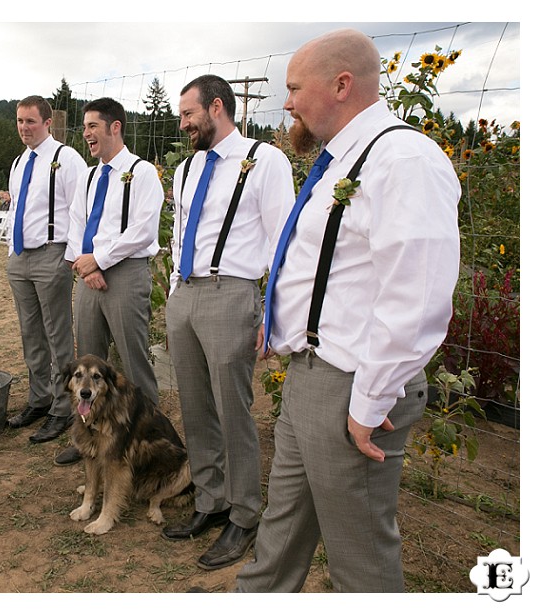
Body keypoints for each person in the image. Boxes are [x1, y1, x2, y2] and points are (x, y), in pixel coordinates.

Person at [236, 29, 461, 592]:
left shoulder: (403, 159)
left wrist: (368, 402)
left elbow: (417, 297)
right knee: (281, 533)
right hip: (311, 380)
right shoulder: (341, 162)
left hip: (354, 389)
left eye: (293, 88)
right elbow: (327, 268)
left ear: (341, 84)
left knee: (359, 560)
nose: (285, 102)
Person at [161, 75, 294, 570]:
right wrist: (176, 290)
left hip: (232, 293)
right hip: (187, 294)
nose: (183, 124)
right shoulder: (187, 168)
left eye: (188, 114)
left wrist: (276, 314)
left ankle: (244, 513)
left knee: (233, 410)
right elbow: (179, 235)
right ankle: (210, 501)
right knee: (195, 407)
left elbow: (285, 240)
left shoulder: (265, 159)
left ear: (216, 107)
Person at [60, 98, 163, 462]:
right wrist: (85, 266)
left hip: (124, 274)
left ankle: (146, 439)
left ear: (115, 126)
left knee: (133, 364)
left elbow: (143, 229)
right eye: (84, 127)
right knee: (87, 365)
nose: (86, 133)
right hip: (89, 277)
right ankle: (91, 438)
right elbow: (76, 222)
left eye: (92, 126)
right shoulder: (89, 175)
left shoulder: (142, 172)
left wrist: (99, 260)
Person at [4, 95, 88, 447]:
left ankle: (62, 406)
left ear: (47, 122)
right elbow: (16, 209)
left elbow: (79, 208)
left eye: (31, 121)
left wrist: (70, 256)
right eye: (20, 121)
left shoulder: (65, 158)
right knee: (30, 334)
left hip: (52, 255)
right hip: (21, 257)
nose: (24, 127)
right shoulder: (19, 162)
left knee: (57, 335)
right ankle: (39, 399)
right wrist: (11, 250)